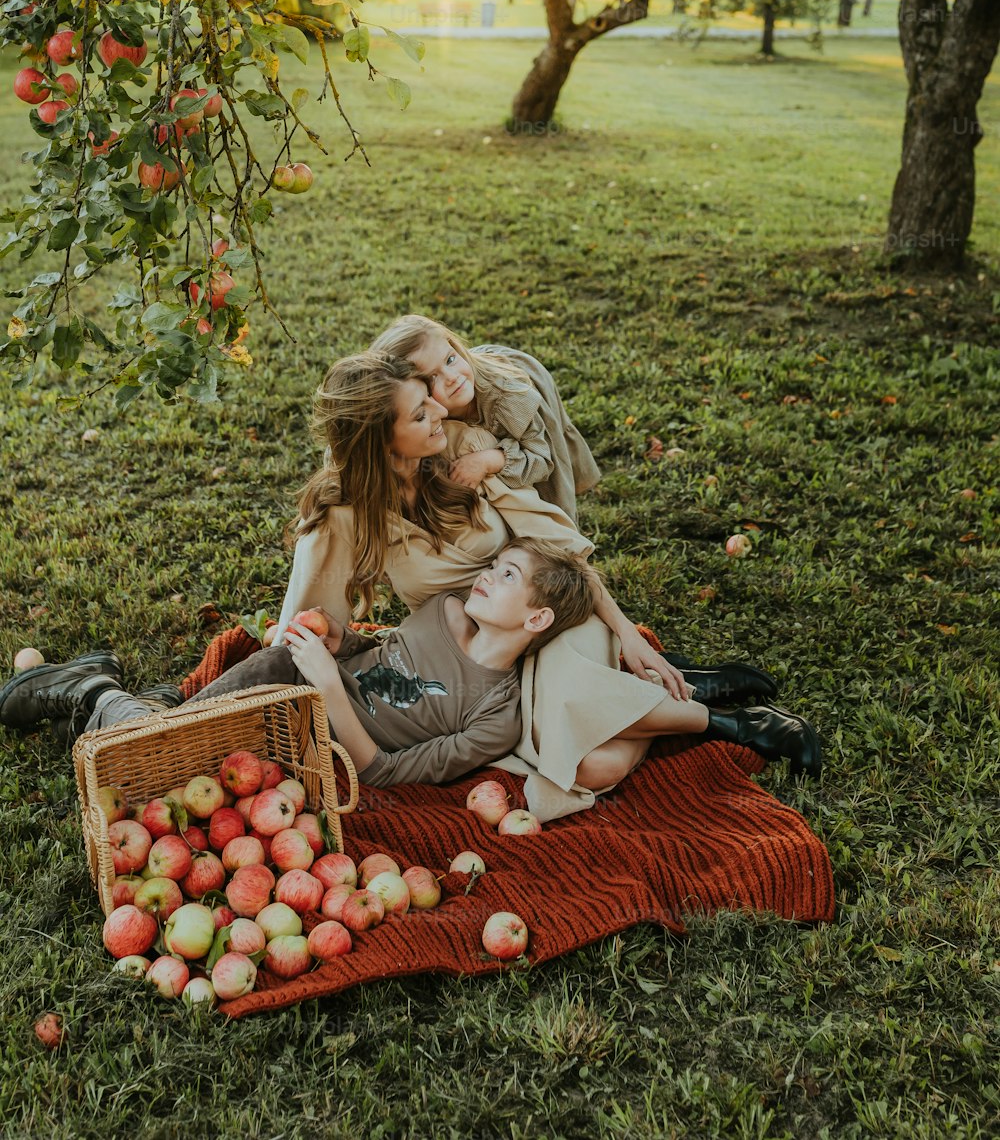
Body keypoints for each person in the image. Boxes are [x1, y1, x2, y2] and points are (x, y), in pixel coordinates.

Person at [267, 351, 819, 819]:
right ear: (383, 438)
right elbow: (306, 631)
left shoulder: (464, 449)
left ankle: (733, 724)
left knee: (578, 701)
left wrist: (625, 632)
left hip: (547, 615)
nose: (441, 407)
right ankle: (674, 695)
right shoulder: (349, 515)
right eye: (420, 410)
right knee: (590, 766)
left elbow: (556, 553)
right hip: (478, 663)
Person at [0, 540, 598, 791]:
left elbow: (384, 773)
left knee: (156, 771)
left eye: (508, 576)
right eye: (494, 565)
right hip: (283, 682)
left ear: (537, 620)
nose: (487, 576)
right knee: (159, 756)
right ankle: (106, 698)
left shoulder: (496, 715)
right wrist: (339, 642)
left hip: (312, 738)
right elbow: (377, 652)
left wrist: (328, 685)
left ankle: (93, 691)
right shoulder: (442, 609)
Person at [370, 314, 600, 522]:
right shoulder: (425, 408)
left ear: (455, 348)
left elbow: (542, 459)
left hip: (522, 387)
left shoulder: (509, 400)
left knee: (551, 463)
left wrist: (489, 460)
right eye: (432, 378)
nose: (452, 377)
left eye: (450, 359)